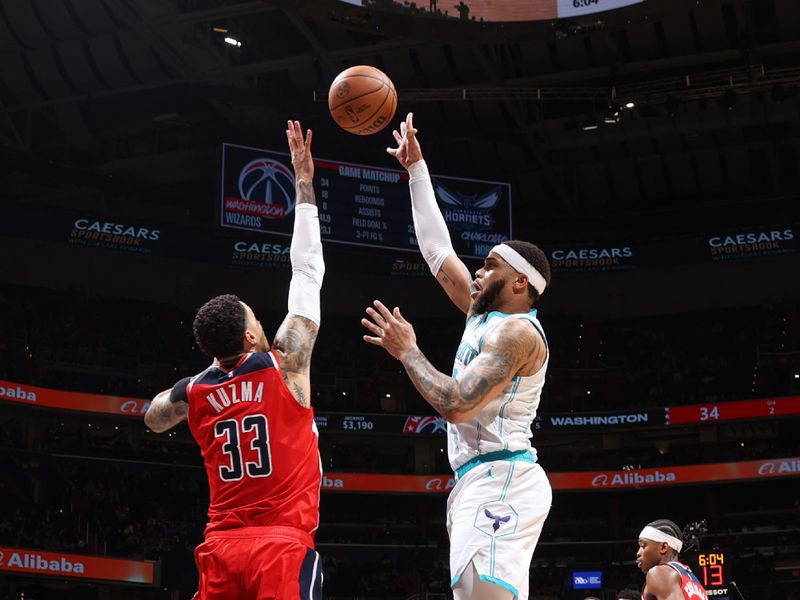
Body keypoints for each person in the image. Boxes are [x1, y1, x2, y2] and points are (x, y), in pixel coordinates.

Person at [362, 112, 552, 600]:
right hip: (475, 478)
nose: (477, 272)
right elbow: (434, 249)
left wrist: (409, 352)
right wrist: (416, 170)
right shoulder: (480, 314)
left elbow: (457, 404)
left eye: (489, 266)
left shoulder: (518, 335)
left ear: (519, 283)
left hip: (503, 474)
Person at [144, 120, 325, 600]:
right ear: (250, 335)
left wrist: (192, 388)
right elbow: (307, 270)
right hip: (280, 547)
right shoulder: (285, 365)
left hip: (220, 548)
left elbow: (153, 417)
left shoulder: (195, 390)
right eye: (257, 321)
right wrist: (303, 182)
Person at [637, 519, 708, 600]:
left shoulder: (659, 572)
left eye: (643, 546)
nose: (638, 553)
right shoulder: (696, 583)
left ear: (663, 547)